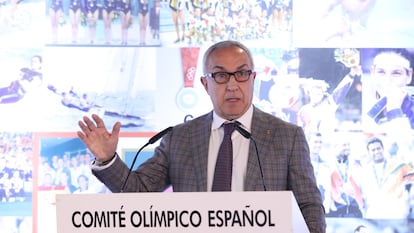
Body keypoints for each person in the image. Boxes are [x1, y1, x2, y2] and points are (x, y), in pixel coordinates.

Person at [77, 40, 326, 232]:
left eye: (241, 74)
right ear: (206, 84)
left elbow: (309, 206)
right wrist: (108, 158)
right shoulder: (180, 138)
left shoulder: (287, 136)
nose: (232, 84)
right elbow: (139, 195)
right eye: (220, 75)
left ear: (253, 79)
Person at [360, 136, 411, 219]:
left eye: (378, 148)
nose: (376, 152)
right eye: (373, 150)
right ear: (368, 152)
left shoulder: (399, 165)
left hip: (396, 211)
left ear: (383, 149)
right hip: (374, 212)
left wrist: (406, 203)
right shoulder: (365, 170)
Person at [365, 48, 414, 132]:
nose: (387, 81)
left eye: (396, 73)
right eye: (381, 72)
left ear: (409, 76)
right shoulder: (367, 105)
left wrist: (394, 110)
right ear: (372, 73)